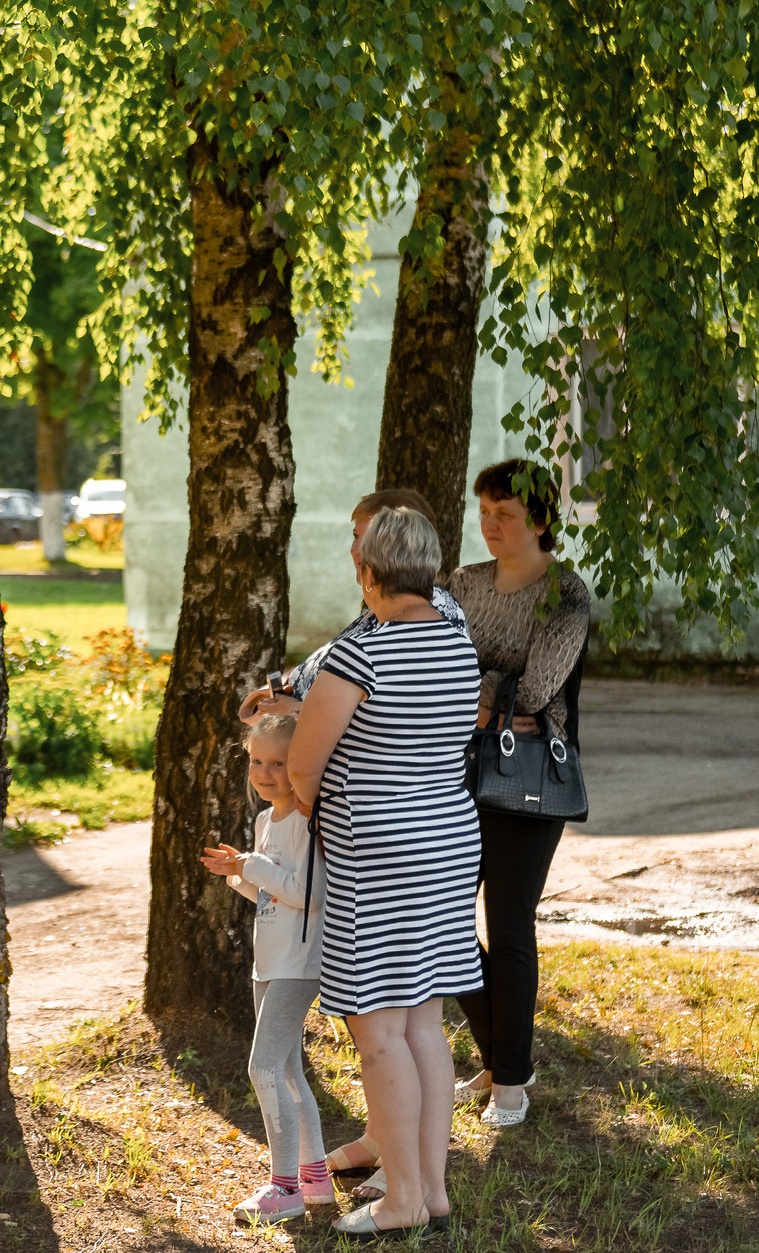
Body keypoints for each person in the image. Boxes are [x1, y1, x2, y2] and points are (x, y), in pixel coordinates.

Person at [285, 506, 483, 1239]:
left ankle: (399, 1198)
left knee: (377, 1031)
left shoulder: (359, 656)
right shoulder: (456, 640)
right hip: (448, 842)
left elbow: (303, 765)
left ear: (366, 568)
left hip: (379, 854)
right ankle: (429, 1187)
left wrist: (322, 803)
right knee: (424, 1019)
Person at [446, 457, 591, 1128]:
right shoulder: (462, 583)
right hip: (451, 767)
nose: (489, 524)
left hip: (529, 775)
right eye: (484, 511)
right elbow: (434, 666)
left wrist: (480, 689)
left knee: (506, 922)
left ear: (538, 518)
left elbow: (537, 691)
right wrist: (491, 690)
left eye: (503, 513)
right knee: (446, 924)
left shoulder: (565, 592)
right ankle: (502, 1057)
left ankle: (510, 1084)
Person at [198, 713, 331, 1224]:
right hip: (269, 962)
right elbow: (272, 894)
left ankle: (284, 1188)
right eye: (257, 761)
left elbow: (308, 894)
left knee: (263, 1067)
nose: (265, 771)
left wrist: (252, 865)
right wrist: (238, 874)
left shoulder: (307, 818)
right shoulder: (264, 822)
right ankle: (315, 1178)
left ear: (300, 764)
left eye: (278, 762)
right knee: (289, 1069)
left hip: (300, 963)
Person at [239, 488, 464, 726]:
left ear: (409, 544)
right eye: (356, 536)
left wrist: (295, 709)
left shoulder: (435, 610)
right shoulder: (383, 610)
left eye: (368, 540)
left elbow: (400, 710)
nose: (355, 550)